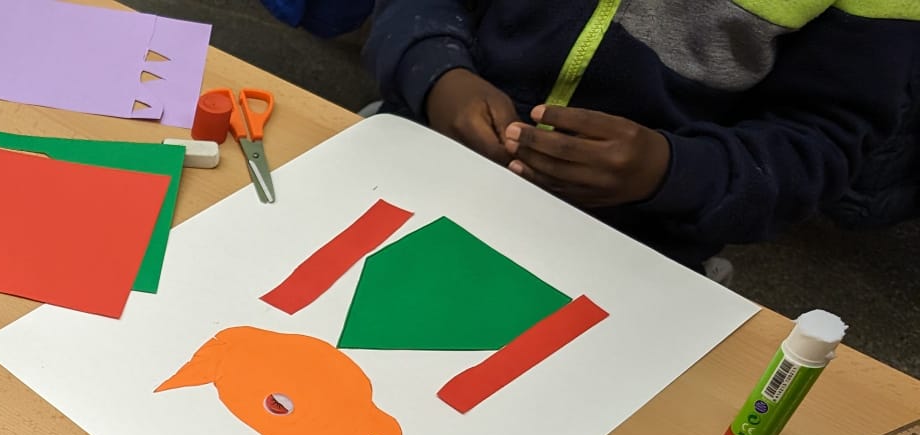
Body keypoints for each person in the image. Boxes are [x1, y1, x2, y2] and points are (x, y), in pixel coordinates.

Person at [364, 0, 920, 267]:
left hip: (629, 246)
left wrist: (672, 172)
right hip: (421, 157)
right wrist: (433, 67)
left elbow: (820, 143)